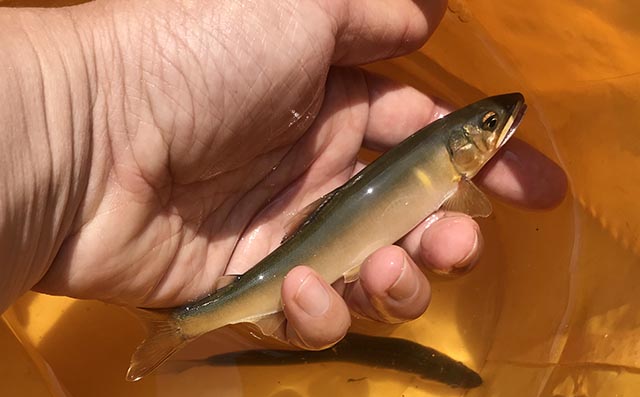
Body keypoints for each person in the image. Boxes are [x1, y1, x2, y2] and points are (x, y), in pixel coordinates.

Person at [0, 0, 566, 350]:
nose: (499, 126)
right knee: (380, 271)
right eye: (490, 125)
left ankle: (183, 324)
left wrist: (83, 125)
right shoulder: (454, 174)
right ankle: (183, 326)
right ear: (465, 146)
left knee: (381, 271)